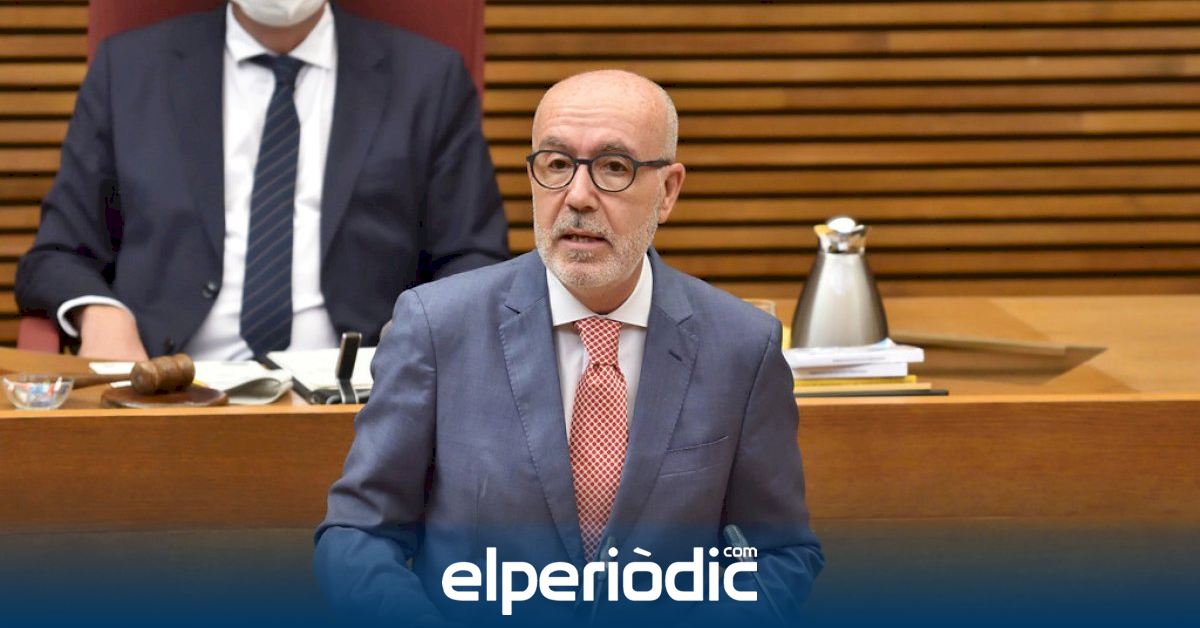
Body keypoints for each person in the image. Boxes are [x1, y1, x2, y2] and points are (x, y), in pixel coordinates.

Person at [314, 70, 823, 625]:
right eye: (557, 165)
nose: (578, 196)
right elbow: (358, 535)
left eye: (614, 167)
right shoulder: (437, 328)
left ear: (668, 191)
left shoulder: (742, 347)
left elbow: (776, 554)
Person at [14, 0, 508, 361]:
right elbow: (57, 255)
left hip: (363, 398)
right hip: (171, 390)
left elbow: (474, 256)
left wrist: (417, 335)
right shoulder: (128, 71)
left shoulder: (428, 79)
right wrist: (100, 313)